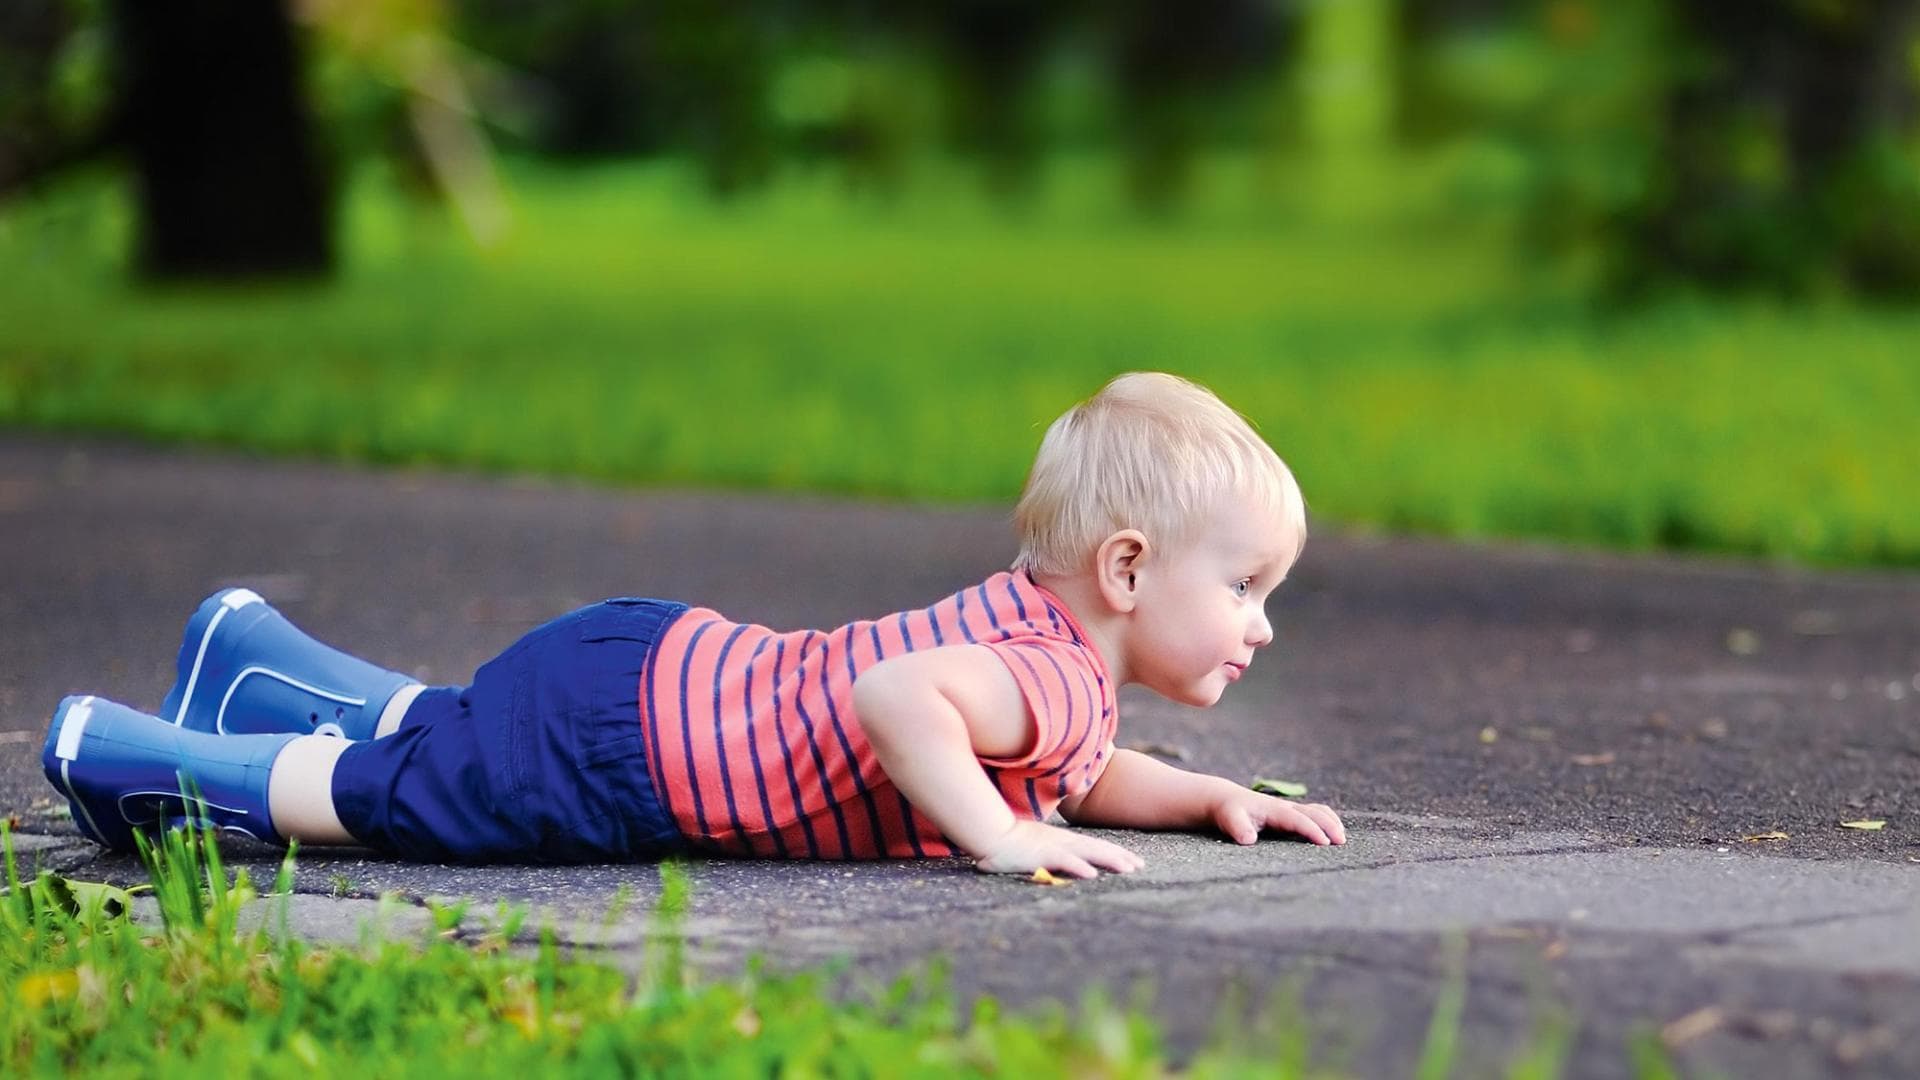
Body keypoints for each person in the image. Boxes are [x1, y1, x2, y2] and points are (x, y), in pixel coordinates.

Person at [42, 372, 1345, 878]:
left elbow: (1069, 763)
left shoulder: (1043, 658)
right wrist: (1000, 839)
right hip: (635, 749)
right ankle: (128, 757)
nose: (1260, 626)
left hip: (648, 668)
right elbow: (905, 705)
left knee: (450, 733)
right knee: (400, 796)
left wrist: (1203, 797)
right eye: (1244, 588)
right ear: (1125, 569)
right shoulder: (1044, 681)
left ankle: (251, 659)